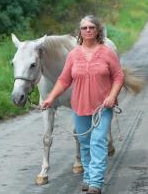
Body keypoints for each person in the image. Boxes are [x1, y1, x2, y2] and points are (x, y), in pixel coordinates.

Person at [40, 15, 124, 194]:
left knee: (98, 142)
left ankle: (95, 183)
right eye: (84, 28)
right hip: (79, 106)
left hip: (103, 107)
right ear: (80, 31)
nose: (88, 30)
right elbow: (64, 80)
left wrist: (112, 96)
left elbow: (118, 76)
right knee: (85, 143)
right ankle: (87, 177)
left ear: (97, 30)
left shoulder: (107, 52)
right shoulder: (73, 55)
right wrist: (50, 97)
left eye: (91, 27)